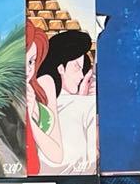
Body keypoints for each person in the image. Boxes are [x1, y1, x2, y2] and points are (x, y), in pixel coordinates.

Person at [35, 30, 97, 175]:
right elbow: (92, 164)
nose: (80, 75)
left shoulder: (38, 100)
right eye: (76, 67)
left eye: (82, 69)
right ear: (60, 68)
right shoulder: (89, 106)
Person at [25, 22, 62, 174]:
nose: (27, 69)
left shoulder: (45, 85)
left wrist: (30, 115)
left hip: (42, 174)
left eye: (31, 61)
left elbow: (57, 155)